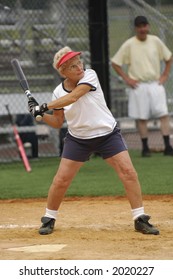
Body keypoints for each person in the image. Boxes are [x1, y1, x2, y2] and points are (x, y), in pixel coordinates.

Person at [28, 46, 159, 235]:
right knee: (61, 180)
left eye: (79, 62)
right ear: (63, 71)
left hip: (107, 134)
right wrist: (37, 113)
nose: (79, 67)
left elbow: (73, 97)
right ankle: (49, 218)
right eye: (72, 66)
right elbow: (57, 122)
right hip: (78, 139)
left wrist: (43, 106)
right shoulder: (58, 92)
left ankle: (140, 218)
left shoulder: (90, 75)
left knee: (129, 172)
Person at [111, 15, 173, 157]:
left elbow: (169, 58)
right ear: (135, 28)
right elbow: (115, 62)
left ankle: (168, 146)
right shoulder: (129, 44)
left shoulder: (155, 41)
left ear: (148, 26)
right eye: (139, 26)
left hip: (155, 83)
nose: (142, 29)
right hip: (138, 85)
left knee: (163, 115)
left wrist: (165, 75)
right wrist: (127, 79)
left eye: (144, 26)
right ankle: (145, 148)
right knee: (142, 117)